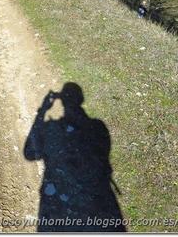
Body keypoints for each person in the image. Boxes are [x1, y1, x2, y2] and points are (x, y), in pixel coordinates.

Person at [24, 82, 125, 232]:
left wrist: (42, 111)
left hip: (58, 210)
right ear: (81, 100)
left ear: (62, 101)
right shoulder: (98, 126)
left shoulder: (52, 128)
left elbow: (29, 153)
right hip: (99, 201)